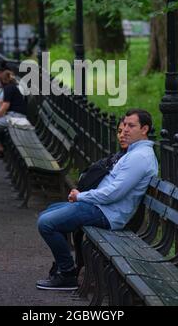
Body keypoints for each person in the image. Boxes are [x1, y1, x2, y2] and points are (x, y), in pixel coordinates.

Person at [36, 108, 158, 291]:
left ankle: (67, 274)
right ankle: (66, 266)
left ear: (145, 129)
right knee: (51, 211)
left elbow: (113, 194)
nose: (125, 130)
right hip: (100, 207)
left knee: (46, 223)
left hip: (107, 213)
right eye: (124, 125)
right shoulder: (134, 153)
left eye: (131, 126)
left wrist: (80, 197)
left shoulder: (140, 157)